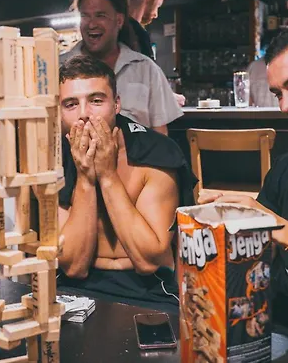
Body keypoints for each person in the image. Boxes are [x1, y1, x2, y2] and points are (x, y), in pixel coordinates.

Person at [199, 25, 288, 345]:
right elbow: (256, 262)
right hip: (279, 334)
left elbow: (277, 229)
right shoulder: (285, 168)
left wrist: (278, 227)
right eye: (279, 93)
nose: (285, 105)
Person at [57, 55, 196, 312]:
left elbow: (148, 261)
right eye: (71, 104)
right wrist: (86, 177)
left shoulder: (155, 152)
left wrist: (108, 175)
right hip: (74, 289)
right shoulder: (54, 161)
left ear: (117, 104)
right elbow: (74, 266)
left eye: (96, 101)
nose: (84, 114)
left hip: (149, 290)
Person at [61, 0, 183, 135]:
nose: (91, 24)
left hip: (136, 152)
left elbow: (160, 135)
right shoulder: (59, 67)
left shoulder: (146, 69)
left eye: (100, 15)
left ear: (119, 20)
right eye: (85, 16)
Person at [125, 0, 186, 107]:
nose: (156, 14)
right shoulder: (135, 32)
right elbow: (138, 82)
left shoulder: (115, 27)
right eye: (158, 5)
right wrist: (166, 98)